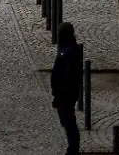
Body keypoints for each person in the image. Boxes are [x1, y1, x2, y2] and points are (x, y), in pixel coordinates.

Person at [52, 22, 83, 155]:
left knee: (68, 121)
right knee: (67, 120)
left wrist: (59, 93)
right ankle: (73, 148)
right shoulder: (67, 49)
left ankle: (73, 149)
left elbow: (67, 75)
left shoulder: (69, 51)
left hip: (66, 94)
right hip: (65, 93)